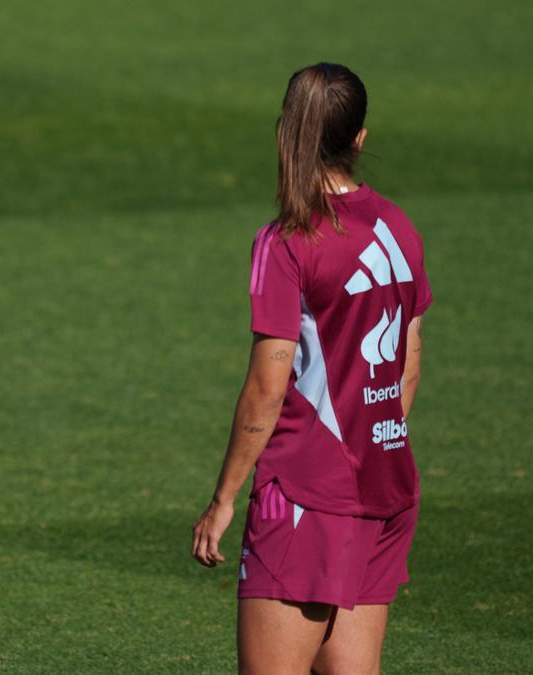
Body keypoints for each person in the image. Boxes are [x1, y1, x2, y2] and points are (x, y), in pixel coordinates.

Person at [190, 63, 432, 674]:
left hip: (306, 495)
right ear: (359, 139)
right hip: (385, 487)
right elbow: (406, 365)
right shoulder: (399, 228)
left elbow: (266, 391)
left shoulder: (288, 242)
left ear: (285, 135)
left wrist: (223, 499)